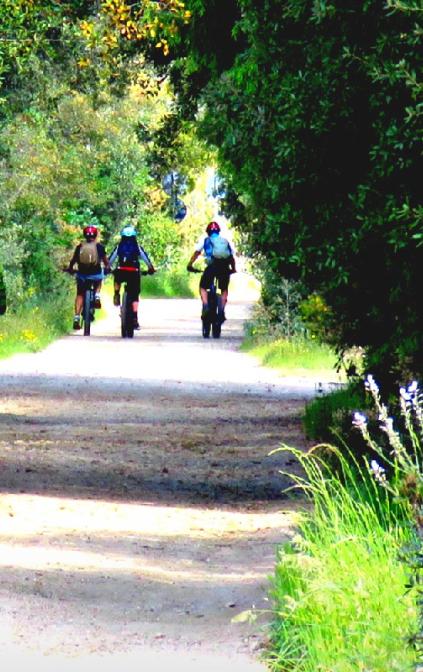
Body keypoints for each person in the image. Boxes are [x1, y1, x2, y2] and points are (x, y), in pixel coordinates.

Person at [187, 221, 236, 322]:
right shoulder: (224, 241)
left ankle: (205, 306)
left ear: (208, 232)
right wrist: (233, 268)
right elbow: (231, 256)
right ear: (218, 231)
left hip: (212, 267)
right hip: (224, 267)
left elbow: (196, 253)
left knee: (203, 286)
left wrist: (190, 265)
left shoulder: (206, 240)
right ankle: (221, 310)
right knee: (224, 289)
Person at [108, 225, 156, 329]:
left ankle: (116, 293)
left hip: (121, 270)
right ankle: (134, 317)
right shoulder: (137, 246)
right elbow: (145, 258)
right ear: (134, 236)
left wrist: (108, 268)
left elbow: (111, 259)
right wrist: (150, 268)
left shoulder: (119, 246)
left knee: (117, 276)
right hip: (134, 271)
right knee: (135, 295)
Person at [66, 224, 110, 330]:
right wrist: (108, 267)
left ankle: (76, 317)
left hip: (82, 275)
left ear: (84, 235)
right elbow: (105, 261)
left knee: (80, 294)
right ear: (95, 235)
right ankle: (97, 296)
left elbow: (73, 260)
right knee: (100, 277)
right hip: (95, 275)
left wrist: (70, 269)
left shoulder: (80, 247)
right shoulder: (99, 247)